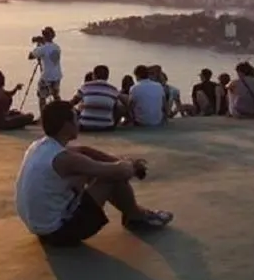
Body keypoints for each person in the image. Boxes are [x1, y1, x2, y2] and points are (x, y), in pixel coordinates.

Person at [14, 100, 173, 247]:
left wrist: (116, 160)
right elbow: (119, 171)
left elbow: (84, 151)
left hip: (40, 227)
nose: (79, 121)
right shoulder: (65, 159)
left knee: (92, 169)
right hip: (59, 233)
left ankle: (134, 213)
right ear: (66, 125)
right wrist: (132, 165)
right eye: (76, 118)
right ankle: (137, 216)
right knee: (110, 177)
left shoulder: (40, 146)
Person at [71, 65, 123, 132]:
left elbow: (73, 102)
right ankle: (110, 122)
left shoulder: (85, 86)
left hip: (85, 125)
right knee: (117, 105)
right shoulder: (113, 89)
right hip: (107, 127)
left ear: (94, 75)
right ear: (107, 77)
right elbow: (122, 107)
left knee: (73, 109)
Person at [28, 26, 64, 112]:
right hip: (57, 75)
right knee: (56, 95)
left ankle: (44, 116)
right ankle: (61, 113)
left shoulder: (42, 48)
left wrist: (38, 46)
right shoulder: (57, 47)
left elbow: (30, 56)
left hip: (46, 76)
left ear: (44, 36)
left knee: (42, 97)